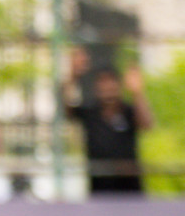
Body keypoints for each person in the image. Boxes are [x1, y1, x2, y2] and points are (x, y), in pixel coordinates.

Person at [66, 49, 154, 196]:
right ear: (96, 87)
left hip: (130, 190)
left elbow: (147, 124)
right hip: (99, 189)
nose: (107, 87)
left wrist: (137, 92)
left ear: (119, 85)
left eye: (111, 81)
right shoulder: (89, 112)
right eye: (102, 82)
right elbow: (66, 110)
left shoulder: (128, 111)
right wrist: (73, 77)